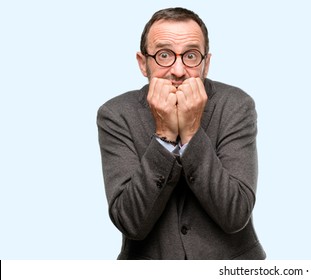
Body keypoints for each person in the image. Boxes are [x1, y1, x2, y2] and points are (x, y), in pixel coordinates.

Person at [97, 7, 265, 260]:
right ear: (143, 63)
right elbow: (130, 222)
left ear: (206, 64)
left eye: (191, 55)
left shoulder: (236, 105)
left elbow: (236, 214)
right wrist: (163, 135)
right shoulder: (116, 114)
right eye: (164, 55)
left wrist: (191, 133)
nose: (178, 70)